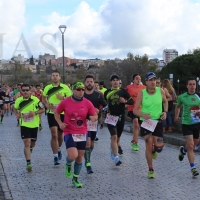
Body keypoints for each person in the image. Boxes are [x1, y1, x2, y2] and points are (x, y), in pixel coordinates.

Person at [54, 82, 98, 188]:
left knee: (80, 157)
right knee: (73, 155)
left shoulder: (87, 103)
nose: (81, 92)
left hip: (82, 132)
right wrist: (60, 123)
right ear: (73, 90)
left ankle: (75, 179)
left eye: (82, 89)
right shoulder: (65, 102)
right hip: (69, 132)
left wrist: (94, 118)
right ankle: (68, 162)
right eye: (78, 90)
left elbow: (95, 114)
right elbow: (56, 113)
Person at [133, 72, 168, 179]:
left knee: (159, 148)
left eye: (154, 80)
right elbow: (135, 110)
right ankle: (151, 169)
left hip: (157, 122)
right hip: (146, 122)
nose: (153, 82)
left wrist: (165, 112)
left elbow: (166, 101)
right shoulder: (142, 93)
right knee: (148, 144)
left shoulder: (160, 91)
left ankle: (155, 150)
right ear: (147, 82)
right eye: (151, 80)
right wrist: (143, 114)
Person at [13, 84, 45, 172]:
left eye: (27, 90)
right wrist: (17, 114)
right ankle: (28, 163)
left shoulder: (36, 99)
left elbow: (43, 109)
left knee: (32, 144)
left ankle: (30, 149)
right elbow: (15, 108)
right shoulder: (18, 100)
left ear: (30, 91)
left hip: (34, 125)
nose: (25, 92)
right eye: (23, 90)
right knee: (27, 143)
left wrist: (35, 113)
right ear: (21, 91)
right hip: (24, 124)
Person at [43, 70, 72, 165]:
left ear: (59, 77)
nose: (55, 77)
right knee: (54, 135)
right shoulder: (47, 88)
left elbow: (71, 99)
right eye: (53, 75)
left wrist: (62, 98)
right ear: (51, 77)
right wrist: (47, 104)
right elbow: (43, 98)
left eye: (56, 75)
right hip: (51, 113)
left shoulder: (65, 88)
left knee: (60, 135)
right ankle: (55, 156)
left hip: (63, 114)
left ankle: (58, 148)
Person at [104, 74, 133, 165]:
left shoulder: (123, 91)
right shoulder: (107, 92)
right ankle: (116, 158)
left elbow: (132, 101)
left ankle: (113, 148)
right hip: (111, 117)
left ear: (119, 81)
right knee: (114, 136)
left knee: (117, 138)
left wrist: (125, 102)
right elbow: (105, 104)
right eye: (113, 80)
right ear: (111, 82)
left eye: (117, 80)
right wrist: (106, 111)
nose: (115, 82)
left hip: (121, 117)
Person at [175, 77, 200, 177]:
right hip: (186, 124)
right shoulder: (182, 97)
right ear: (187, 86)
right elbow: (177, 106)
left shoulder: (198, 96)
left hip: (197, 123)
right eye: (190, 84)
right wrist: (177, 116)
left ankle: (183, 150)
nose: (192, 86)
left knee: (195, 144)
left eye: (194, 84)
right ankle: (193, 168)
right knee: (190, 145)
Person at [84, 75, 107, 174]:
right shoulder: (81, 95)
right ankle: (88, 163)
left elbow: (107, 106)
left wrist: (100, 110)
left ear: (94, 83)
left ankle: (87, 155)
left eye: (91, 82)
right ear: (85, 83)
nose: (89, 83)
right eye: (88, 81)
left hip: (93, 122)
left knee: (91, 143)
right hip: (83, 122)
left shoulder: (98, 95)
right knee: (87, 142)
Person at [125, 74, 146, 151]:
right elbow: (123, 94)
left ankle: (134, 140)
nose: (138, 80)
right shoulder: (128, 87)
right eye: (137, 79)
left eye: (139, 79)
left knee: (141, 126)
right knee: (136, 123)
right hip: (132, 108)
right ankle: (135, 142)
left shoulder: (144, 87)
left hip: (141, 110)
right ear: (133, 80)